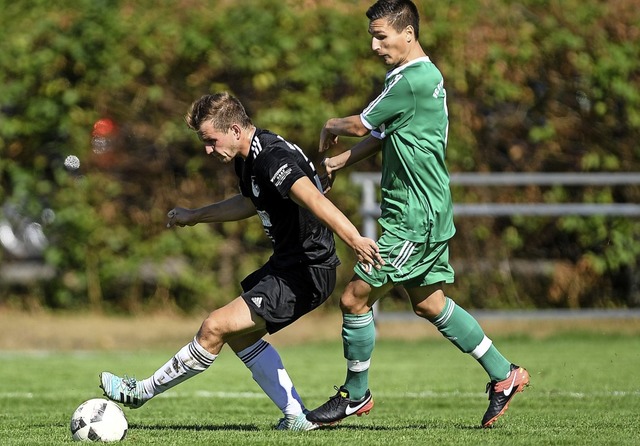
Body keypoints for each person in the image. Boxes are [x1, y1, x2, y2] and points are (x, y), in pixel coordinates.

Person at [304, 0, 529, 429]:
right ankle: (504, 375)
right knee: (429, 303)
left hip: (414, 217)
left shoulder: (410, 80)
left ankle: (355, 395)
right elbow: (383, 134)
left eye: (381, 35)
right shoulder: (421, 76)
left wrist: (331, 124)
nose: (374, 45)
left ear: (408, 33)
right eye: (372, 35)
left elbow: (360, 124)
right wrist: (336, 164)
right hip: (423, 210)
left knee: (354, 298)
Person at [99, 92, 383, 431]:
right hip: (288, 264)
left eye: (210, 140)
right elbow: (250, 202)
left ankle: (141, 392)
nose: (207, 149)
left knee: (214, 326)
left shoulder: (272, 158)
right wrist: (196, 215)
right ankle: (296, 418)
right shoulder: (247, 157)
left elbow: (312, 197)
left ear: (234, 129)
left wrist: (354, 239)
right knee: (240, 336)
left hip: (307, 269)